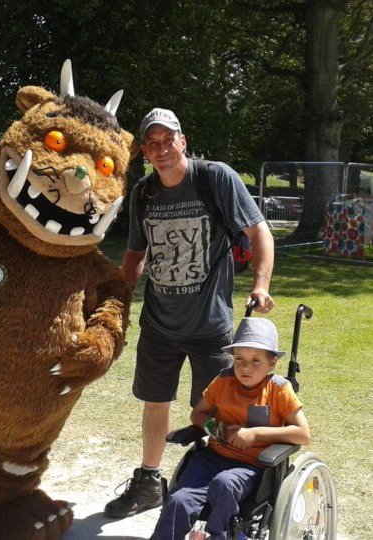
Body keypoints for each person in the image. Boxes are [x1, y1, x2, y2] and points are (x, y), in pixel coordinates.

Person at [104, 108, 275, 518]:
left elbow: (259, 231)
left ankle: (210, 487)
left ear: (183, 141)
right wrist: (117, 298)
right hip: (159, 324)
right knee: (155, 402)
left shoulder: (214, 178)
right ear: (145, 151)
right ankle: (149, 483)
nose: (161, 149)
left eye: (168, 140)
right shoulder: (144, 193)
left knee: (214, 411)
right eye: (152, 143)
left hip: (209, 327)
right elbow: (135, 253)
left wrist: (261, 284)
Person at [151, 317, 311, 539]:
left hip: (252, 466)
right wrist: (217, 428)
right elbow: (197, 414)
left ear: (272, 363)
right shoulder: (224, 381)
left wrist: (256, 433)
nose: (245, 367)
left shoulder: (278, 390)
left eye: (256, 360)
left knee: (224, 484)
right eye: (239, 359)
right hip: (211, 458)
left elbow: (303, 434)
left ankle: (221, 535)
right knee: (179, 500)